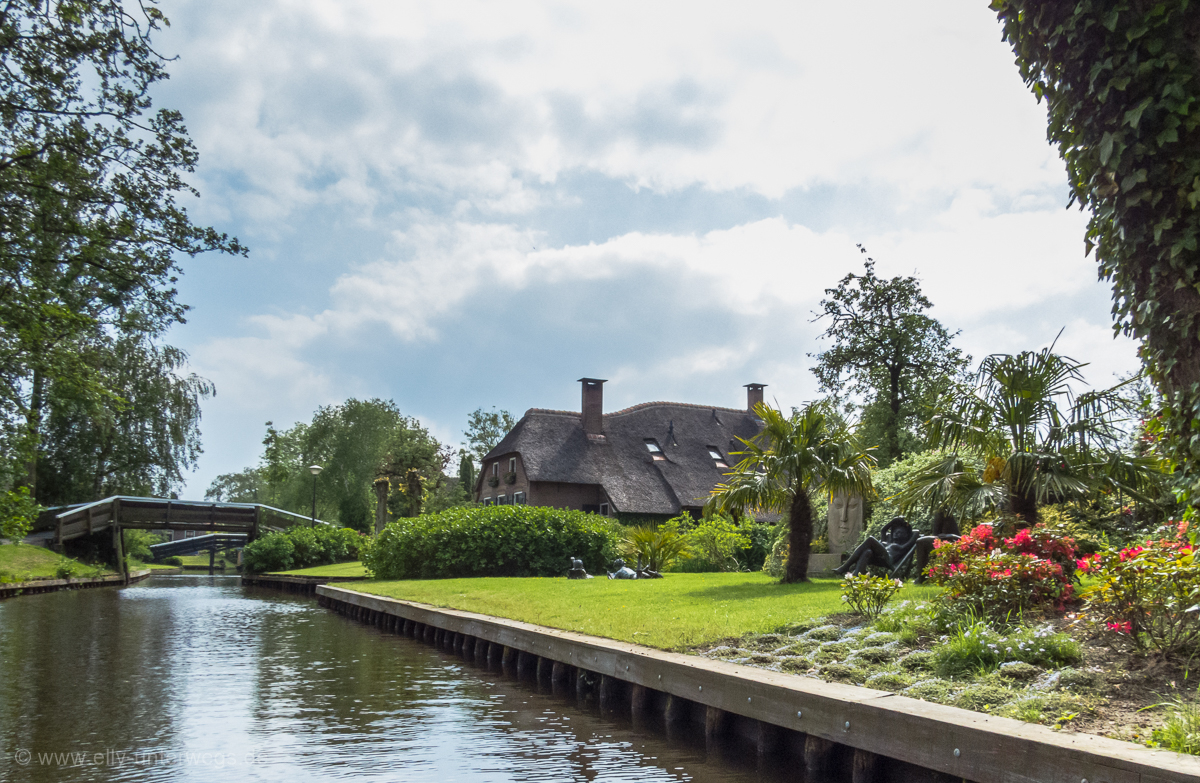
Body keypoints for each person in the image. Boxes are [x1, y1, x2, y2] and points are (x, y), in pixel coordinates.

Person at [832, 517, 919, 577]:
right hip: (879, 558)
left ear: (906, 535)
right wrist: (893, 521)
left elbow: (916, 533)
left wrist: (906, 525)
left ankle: (845, 566)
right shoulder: (887, 541)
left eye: (900, 533)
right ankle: (857, 575)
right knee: (867, 551)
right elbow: (883, 530)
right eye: (896, 532)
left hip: (889, 560)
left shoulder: (903, 546)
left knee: (870, 539)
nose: (897, 534)